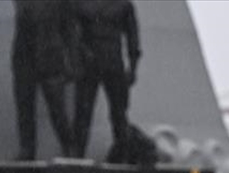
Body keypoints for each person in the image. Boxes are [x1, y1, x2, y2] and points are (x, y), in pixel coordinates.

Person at [71, 0, 140, 160]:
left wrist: (133, 66)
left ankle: (123, 153)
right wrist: (80, 55)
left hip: (112, 63)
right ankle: (77, 155)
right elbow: (73, 33)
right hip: (91, 63)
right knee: (83, 113)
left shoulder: (123, 5)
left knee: (118, 114)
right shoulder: (81, 4)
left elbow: (132, 37)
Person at [11, 0, 79, 160]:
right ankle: (27, 149)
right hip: (25, 57)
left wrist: (74, 61)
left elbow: (69, 29)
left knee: (57, 109)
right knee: (25, 108)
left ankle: (68, 148)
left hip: (50, 58)